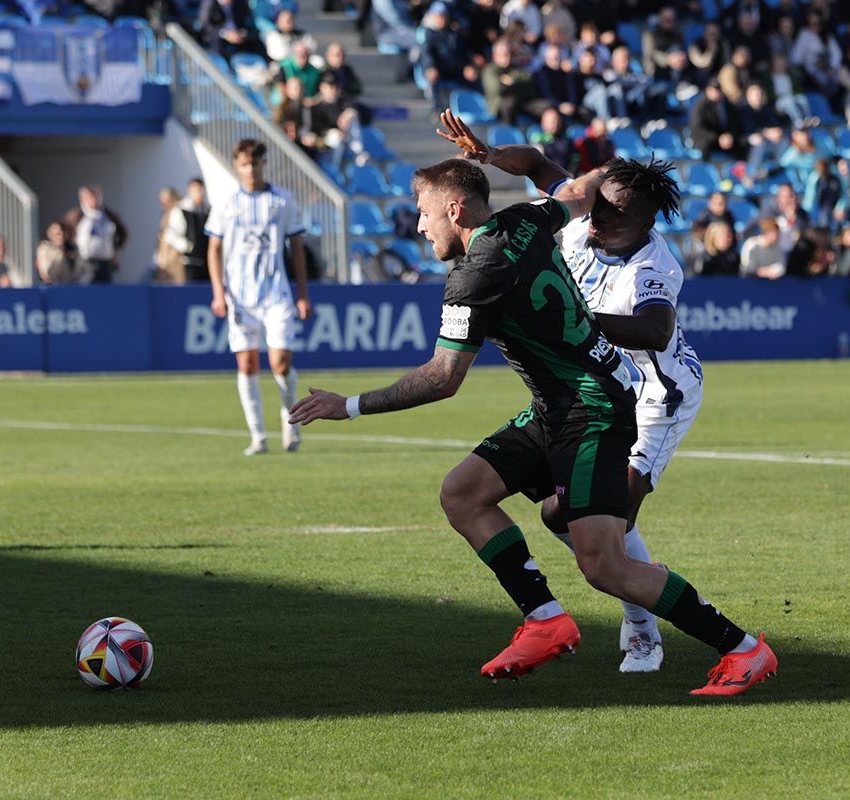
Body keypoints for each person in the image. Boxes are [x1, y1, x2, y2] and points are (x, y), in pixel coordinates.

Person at [290, 115, 777, 696]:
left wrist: (345, 406)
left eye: (422, 213)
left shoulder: (479, 277)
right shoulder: (528, 219)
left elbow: (443, 379)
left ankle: (743, 649)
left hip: (601, 406)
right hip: (561, 402)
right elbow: (572, 182)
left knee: (605, 563)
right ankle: (545, 619)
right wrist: (490, 153)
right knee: (463, 492)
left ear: (454, 211)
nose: (416, 227)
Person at [462, 131, 712, 675]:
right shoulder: (584, 219)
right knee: (561, 513)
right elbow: (537, 161)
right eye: (595, 207)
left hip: (656, 395)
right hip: (602, 387)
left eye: (612, 216)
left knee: (612, 517)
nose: (594, 220)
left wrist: (570, 324)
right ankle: (635, 596)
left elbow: (654, 327)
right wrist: (490, 156)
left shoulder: (652, 268)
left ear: (644, 225)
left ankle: (643, 632)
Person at [207, 139, 313, 455]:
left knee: (280, 362)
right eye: (243, 164)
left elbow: (297, 250)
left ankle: (290, 422)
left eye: (254, 163)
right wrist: (218, 292)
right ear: (236, 166)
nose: (249, 169)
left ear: (262, 164)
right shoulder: (226, 204)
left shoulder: (282, 200)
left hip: (276, 293)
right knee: (248, 364)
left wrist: (303, 294)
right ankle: (258, 436)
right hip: (240, 297)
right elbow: (213, 249)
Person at [63, 186, 128, 285]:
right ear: (83, 199)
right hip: (84, 263)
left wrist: (116, 252)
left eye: (96, 196)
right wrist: (71, 257)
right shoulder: (76, 216)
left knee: (105, 293)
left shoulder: (108, 215)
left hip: (105, 263)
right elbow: (65, 236)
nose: (94, 200)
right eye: (90, 197)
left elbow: (123, 233)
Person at [166, 178, 212, 283]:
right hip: (188, 263)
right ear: (189, 191)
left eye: (201, 190)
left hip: (206, 263)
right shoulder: (181, 210)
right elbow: (171, 235)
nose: (199, 193)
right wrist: (187, 246)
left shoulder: (207, 210)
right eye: (196, 190)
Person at [35, 221, 85, 285]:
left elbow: (79, 271)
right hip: (50, 288)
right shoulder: (44, 249)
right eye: (57, 234)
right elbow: (47, 274)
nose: (60, 236)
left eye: (62, 233)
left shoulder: (72, 249)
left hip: (69, 287)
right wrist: (59, 253)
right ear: (49, 234)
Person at [154, 187, 185, 285]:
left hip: (173, 257)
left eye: (166, 198)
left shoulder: (177, 212)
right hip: (164, 258)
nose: (163, 202)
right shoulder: (165, 213)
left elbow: (176, 236)